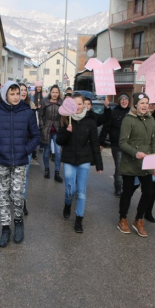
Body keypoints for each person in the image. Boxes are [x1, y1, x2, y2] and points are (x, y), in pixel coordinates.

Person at [0, 81, 40, 247]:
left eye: (18, 93)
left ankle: (19, 222)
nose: (16, 97)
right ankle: (5, 228)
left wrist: (25, 149)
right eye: (12, 93)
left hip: (20, 162)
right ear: (5, 95)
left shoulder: (27, 113)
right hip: (1, 161)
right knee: (3, 196)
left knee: (16, 195)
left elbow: (35, 136)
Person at [57, 95, 103, 232]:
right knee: (70, 190)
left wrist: (99, 164)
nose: (78, 106)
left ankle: (79, 219)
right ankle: (67, 204)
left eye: (80, 103)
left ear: (84, 105)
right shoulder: (66, 120)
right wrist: (67, 132)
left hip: (84, 159)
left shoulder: (90, 121)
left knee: (81, 191)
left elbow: (95, 143)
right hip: (69, 159)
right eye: (75, 104)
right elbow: (59, 141)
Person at [116, 92, 155, 238]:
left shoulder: (151, 120)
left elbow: (153, 143)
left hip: (146, 163)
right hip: (131, 163)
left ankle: (139, 219)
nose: (145, 105)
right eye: (142, 103)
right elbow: (122, 142)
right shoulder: (129, 120)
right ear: (135, 105)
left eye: (147, 102)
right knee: (127, 192)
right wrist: (135, 153)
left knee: (148, 191)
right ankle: (122, 219)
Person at [100, 93, 131, 197]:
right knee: (119, 166)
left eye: (126, 99)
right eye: (122, 99)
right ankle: (118, 187)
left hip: (130, 146)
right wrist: (101, 142)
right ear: (119, 101)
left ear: (129, 101)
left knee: (127, 168)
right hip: (117, 145)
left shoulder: (132, 113)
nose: (124, 101)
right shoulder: (114, 113)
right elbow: (106, 127)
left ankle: (125, 185)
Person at [20, 82, 39, 214]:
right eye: (19, 90)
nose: (22, 92)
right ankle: (15, 198)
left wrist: (31, 147)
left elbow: (35, 129)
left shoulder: (31, 108)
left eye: (24, 90)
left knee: (24, 175)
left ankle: (23, 201)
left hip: (26, 146)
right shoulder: (7, 107)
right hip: (12, 147)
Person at [38, 84, 63, 182]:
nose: (55, 94)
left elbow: (64, 117)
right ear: (50, 92)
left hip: (57, 131)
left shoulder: (62, 103)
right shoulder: (45, 102)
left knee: (58, 152)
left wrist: (63, 128)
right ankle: (47, 170)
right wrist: (41, 126)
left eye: (57, 92)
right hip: (46, 130)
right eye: (53, 92)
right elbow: (40, 115)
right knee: (46, 152)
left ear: (59, 93)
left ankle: (57, 173)